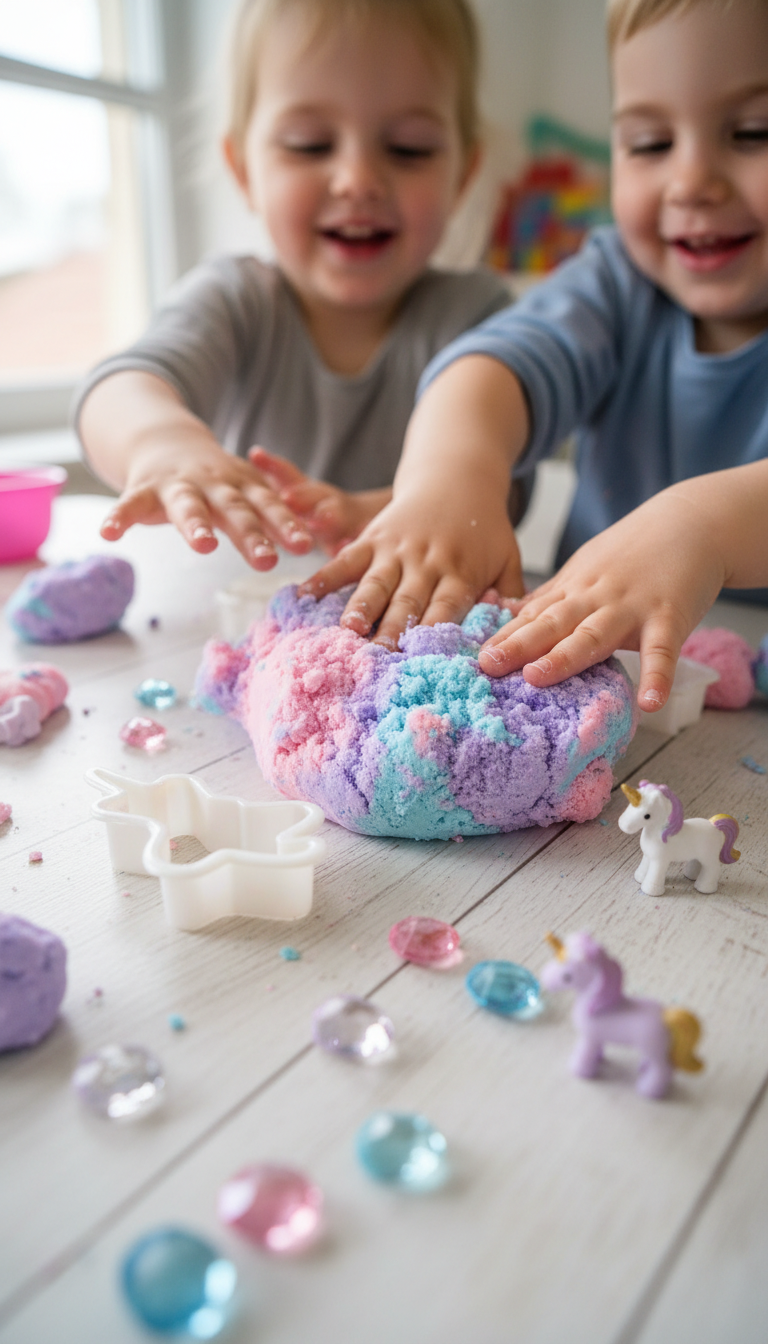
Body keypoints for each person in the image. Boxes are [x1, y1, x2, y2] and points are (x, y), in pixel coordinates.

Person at [300, 0, 768, 713]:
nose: (690, 182)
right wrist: (452, 474)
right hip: (614, 708)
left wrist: (702, 526)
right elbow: (499, 365)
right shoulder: (618, 283)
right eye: (648, 143)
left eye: (753, 132)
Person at [75, 0, 514, 570]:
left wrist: (386, 511)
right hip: (243, 614)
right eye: (310, 144)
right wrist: (160, 443)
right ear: (244, 171)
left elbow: (509, 482)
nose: (358, 180)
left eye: (409, 148)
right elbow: (119, 387)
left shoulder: (476, 313)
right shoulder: (235, 299)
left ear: (463, 174)